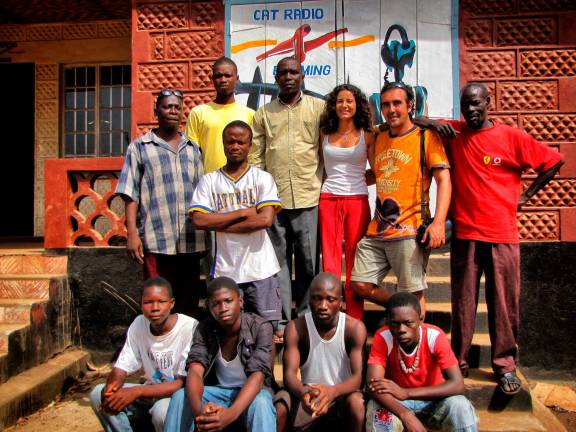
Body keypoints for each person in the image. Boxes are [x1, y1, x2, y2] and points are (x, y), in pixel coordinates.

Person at [416, 82, 565, 394]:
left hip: (501, 236)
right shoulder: (455, 133)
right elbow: (418, 120)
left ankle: (505, 366)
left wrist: (527, 195)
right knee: (463, 303)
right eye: (465, 105)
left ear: (488, 102)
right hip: (466, 235)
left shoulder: (512, 137)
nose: (471, 110)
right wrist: (433, 122)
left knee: (503, 303)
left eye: (476, 103)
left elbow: (553, 162)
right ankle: (458, 362)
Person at [350, 82, 451, 317]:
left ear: (410, 105)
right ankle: (402, 308)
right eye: (386, 104)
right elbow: (378, 174)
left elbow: (443, 180)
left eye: (397, 103)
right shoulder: (379, 136)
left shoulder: (425, 137)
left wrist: (438, 223)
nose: (391, 109)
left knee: (413, 292)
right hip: (378, 230)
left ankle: (417, 345)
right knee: (360, 284)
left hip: (410, 230)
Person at [250, 57, 325, 338]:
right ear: (276, 77)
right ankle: (282, 322)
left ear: (302, 75)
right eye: (283, 72)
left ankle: (305, 318)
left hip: (309, 196)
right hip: (274, 200)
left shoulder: (319, 109)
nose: (288, 76)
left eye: (294, 71)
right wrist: (261, 196)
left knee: (309, 263)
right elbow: (256, 157)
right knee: (278, 262)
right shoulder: (264, 114)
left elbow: (325, 150)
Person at [116, 89, 205, 317]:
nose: (172, 111)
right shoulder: (140, 147)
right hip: (156, 240)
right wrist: (132, 234)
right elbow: (130, 193)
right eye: (167, 106)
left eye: (177, 107)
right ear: (157, 110)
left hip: (190, 241)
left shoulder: (193, 149)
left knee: (188, 302)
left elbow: (202, 193)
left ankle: (187, 350)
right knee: (157, 300)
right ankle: (156, 349)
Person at [189, 120, 282, 332]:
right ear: (223, 144)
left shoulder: (262, 178)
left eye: (241, 142)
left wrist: (218, 222)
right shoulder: (209, 181)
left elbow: (265, 220)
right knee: (227, 332)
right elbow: (199, 220)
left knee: (265, 331)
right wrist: (242, 213)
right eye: (230, 142)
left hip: (261, 268)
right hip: (226, 269)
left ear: (250, 145)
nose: (235, 146)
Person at [163, 277, 276, 432]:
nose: (223, 308)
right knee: (180, 397)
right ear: (209, 306)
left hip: (251, 395)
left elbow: (258, 376)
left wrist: (229, 415)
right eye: (216, 304)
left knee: (262, 402)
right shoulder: (204, 328)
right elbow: (195, 371)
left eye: (228, 301)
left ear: (241, 301)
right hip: (217, 392)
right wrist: (199, 412)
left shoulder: (260, 327)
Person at [90, 277, 198, 432]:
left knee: (162, 411)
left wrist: (137, 391)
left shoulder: (189, 327)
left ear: (172, 303)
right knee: (97, 394)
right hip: (151, 393)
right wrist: (112, 388)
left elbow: (181, 384)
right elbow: (122, 367)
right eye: (148, 302)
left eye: (161, 302)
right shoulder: (139, 323)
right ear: (141, 304)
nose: (155, 308)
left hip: (178, 397)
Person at [366, 292, 477, 432]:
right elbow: (373, 385)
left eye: (408, 323)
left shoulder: (434, 336)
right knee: (377, 410)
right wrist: (405, 415)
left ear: (420, 320)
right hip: (397, 403)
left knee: (460, 405)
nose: (401, 330)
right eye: (395, 324)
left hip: (433, 402)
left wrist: (407, 393)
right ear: (388, 321)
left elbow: (458, 384)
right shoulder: (384, 337)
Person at [275, 272, 367, 432]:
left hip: (341, 397)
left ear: (341, 303)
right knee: (281, 401)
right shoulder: (297, 327)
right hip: (309, 395)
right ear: (309, 300)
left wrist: (332, 392)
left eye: (330, 299)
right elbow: (289, 375)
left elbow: (358, 378)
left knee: (357, 402)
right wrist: (304, 392)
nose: (323, 305)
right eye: (317, 298)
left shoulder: (354, 328)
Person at [319, 84, 376, 320]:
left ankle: (354, 317)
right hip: (328, 199)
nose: (344, 105)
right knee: (330, 259)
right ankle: (330, 317)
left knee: (356, 260)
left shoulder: (367, 133)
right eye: (340, 101)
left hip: (357, 200)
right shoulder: (324, 131)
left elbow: (377, 171)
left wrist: (356, 181)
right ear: (334, 105)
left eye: (349, 101)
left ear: (357, 105)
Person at [186, 57, 255, 173]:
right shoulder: (198, 113)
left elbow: (254, 155)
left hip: (242, 185)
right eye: (218, 76)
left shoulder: (250, 114)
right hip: (209, 185)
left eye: (228, 76)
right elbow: (191, 155)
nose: (223, 80)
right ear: (212, 79)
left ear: (237, 79)